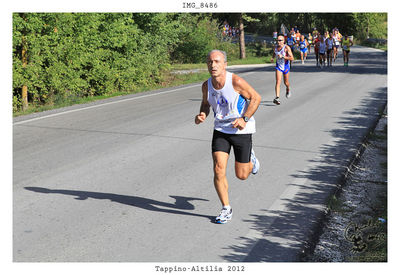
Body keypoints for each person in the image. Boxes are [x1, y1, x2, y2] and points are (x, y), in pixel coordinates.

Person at [195, 50, 261, 224]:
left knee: (242, 175)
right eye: (210, 62)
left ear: (225, 64)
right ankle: (226, 208)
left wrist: (244, 118)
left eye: (217, 62)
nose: (213, 65)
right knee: (218, 168)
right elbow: (205, 103)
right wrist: (202, 113)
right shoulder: (206, 85)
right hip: (221, 130)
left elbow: (256, 98)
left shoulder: (236, 82)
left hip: (241, 130)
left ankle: (251, 158)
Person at [270, 34, 294, 105]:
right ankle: (277, 97)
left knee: (286, 83)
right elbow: (274, 53)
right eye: (277, 40)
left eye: (280, 40)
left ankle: (288, 89)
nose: (278, 42)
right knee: (278, 82)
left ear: (284, 41)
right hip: (279, 67)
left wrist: (283, 56)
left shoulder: (286, 48)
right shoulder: (275, 47)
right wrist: (272, 58)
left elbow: (292, 58)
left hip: (286, 67)